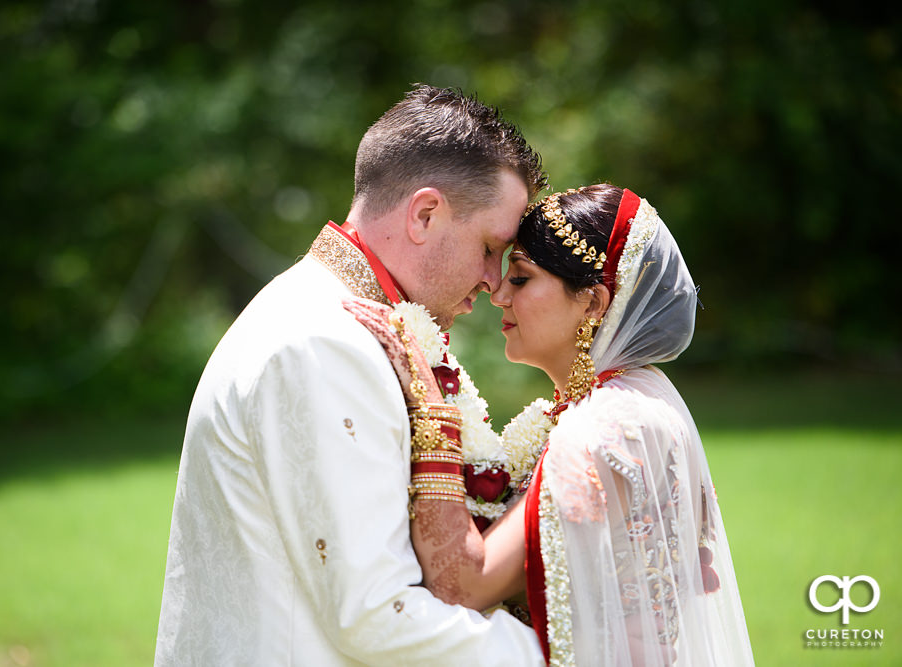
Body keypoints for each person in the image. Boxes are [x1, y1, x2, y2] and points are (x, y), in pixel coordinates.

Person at [153, 84, 548, 665]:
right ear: (425, 214)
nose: (495, 282)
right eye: (491, 247)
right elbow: (376, 615)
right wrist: (560, 650)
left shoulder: (344, 322)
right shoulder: (323, 343)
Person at [352, 184, 754, 665]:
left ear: (591, 303)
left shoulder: (608, 429)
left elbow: (463, 583)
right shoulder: (638, 401)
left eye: (520, 278)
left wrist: (426, 400)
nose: (497, 294)